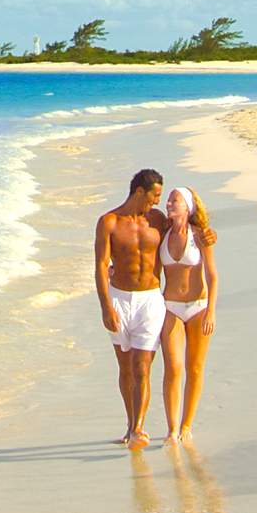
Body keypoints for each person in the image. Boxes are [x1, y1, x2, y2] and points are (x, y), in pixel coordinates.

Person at [95, 168, 166, 450]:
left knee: (142, 367)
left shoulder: (158, 220)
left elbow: (186, 234)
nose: (157, 202)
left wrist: (207, 233)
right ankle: (130, 422)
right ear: (140, 192)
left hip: (150, 299)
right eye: (154, 196)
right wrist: (105, 307)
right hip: (120, 300)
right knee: (125, 367)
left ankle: (139, 428)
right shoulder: (109, 222)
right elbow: (101, 266)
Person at [159, 186, 218, 445]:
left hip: (199, 307)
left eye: (175, 200)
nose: (169, 203)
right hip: (170, 306)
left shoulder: (200, 235)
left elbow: (213, 276)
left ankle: (186, 424)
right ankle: (172, 428)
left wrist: (211, 313)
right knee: (173, 368)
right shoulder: (162, 233)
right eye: (169, 199)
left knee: (194, 368)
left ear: (188, 207)